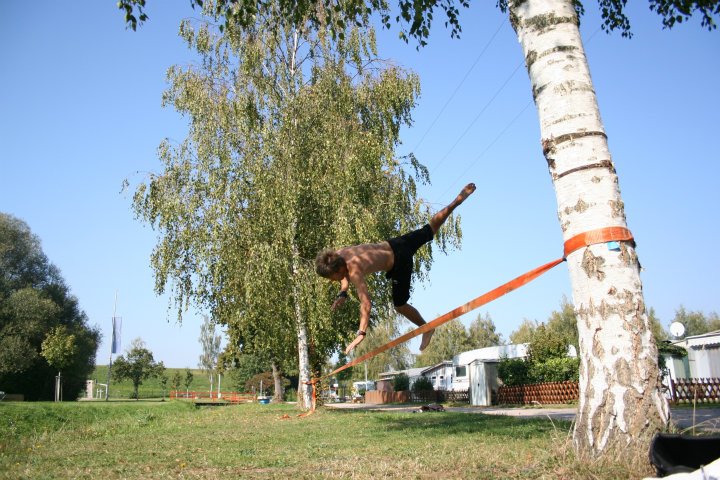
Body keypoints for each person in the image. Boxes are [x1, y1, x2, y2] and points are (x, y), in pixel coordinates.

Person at [315, 183, 476, 354]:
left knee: (399, 305)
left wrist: (361, 332)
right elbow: (343, 276)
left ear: (338, 270)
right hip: (397, 243)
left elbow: (366, 303)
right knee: (429, 229)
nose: (336, 280)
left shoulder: (354, 271)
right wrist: (343, 292)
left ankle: (427, 327)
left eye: (333, 278)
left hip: (400, 262)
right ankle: (456, 202)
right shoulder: (340, 254)